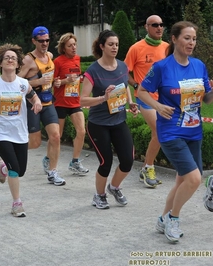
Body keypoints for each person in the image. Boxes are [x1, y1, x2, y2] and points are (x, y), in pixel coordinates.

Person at [138, 21, 213, 242]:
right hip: (170, 130)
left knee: (183, 181)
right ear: (174, 39)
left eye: (194, 39)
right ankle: (173, 218)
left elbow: (206, 98)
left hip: (193, 130)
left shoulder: (199, 65)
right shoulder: (162, 67)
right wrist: (158, 106)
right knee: (193, 179)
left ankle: (162, 219)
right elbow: (141, 91)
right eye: (187, 38)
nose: (191, 43)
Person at [0, 43, 42, 217]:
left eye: (13, 58)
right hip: (0, 132)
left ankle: (3, 167)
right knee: (15, 169)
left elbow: (32, 95)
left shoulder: (23, 84)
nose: (10, 59)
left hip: (20, 132)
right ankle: (17, 204)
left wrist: (36, 102)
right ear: (1, 63)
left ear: (18, 63)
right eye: (7, 57)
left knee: (20, 171)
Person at [80, 30, 138, 210]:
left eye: (117, 44)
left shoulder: (122, 66)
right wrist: (103, 98)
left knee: (128, 160)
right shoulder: (93, 70)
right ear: (102, 46)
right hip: (99, 124)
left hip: (119, 121)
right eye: (111, 44)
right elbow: (82, 99)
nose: (114, 47)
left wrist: (130, 102)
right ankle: (99, 195)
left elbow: (124, 86)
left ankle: (114, 187)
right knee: (106, 163)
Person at [124, 15, 169, 188]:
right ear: (146, 27)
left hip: (164, 99)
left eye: (161, 25)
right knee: (159, 131)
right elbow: (125, 71)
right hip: (145, 98)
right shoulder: (136, 48)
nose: (159, 28)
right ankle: (148, 167)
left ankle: (145, 167)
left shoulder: (167, 47)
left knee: (157, 134)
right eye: (155, 25)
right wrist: (136, 85)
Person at [18, 26, 65, 186]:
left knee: (56, 136)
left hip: (48, 102)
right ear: (33, 41)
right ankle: (11, 153)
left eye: (47, 40)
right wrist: (36, 82)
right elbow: (16, 82)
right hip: (33, 104)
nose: (45, 44)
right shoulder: (28, 60)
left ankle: (52, 172)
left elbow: (50, 78)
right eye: (41, 41)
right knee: (35, 142)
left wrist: (56, 82)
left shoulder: (50, 56)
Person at [53, 32, 89, 176]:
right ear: (63, 48)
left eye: (75, 44)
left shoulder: (77, 59)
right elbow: (53, 83)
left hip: (74, 102)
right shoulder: (58, 61)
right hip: (61, 102)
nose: (73, 48)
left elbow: (76, 77)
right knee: (57, 136)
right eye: (70, 45)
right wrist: (64, 81)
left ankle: (75, 161)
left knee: (82, 131)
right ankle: (49, 159)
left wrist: (79, 79)